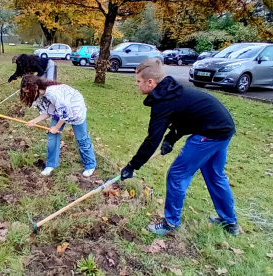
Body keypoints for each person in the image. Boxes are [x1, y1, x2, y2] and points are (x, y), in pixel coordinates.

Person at [119, 58, 240, 235]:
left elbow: (152, 140)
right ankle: (230, 223)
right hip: (223, 128)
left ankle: (170, 223)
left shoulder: (163, 102)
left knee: (177, 174)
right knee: (215, 175)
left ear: (150, 82)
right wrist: (170, 139)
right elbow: (185, 117)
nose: (137, 85)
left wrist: (132, 166)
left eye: (138, 81)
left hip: (210, 133)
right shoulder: (171, 92)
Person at [20, 74, 96, 177]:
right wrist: (34, 121)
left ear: (35, 88)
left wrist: (56, 128)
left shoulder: (53, 93)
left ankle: (90, 165)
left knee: (81, 138)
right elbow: (48, 112)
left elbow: (65, 113)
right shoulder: (41, 95)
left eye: (28, 92)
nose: (27, 95)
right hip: (60, 110)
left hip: (75, 108)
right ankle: (51, 164)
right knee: (52, 136)